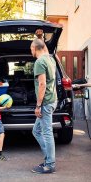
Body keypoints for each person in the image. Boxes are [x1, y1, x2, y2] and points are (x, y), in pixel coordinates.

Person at [30, 38, 58, 174]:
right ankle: (48, 159)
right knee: (36, 131)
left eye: (31, 48)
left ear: (35, 48)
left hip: (45, 102)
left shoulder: (39, 62)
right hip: (52, 99)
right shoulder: (50, 59)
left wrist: (38, 106)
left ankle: (50, 164)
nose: (30, 50)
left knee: (47, 133)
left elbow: (42, 84)